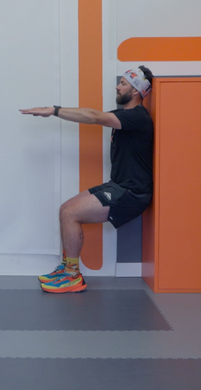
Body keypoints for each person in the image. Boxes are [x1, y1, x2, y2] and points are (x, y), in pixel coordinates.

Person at [19, 66, 154, 293]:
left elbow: (92, 116)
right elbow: (93, 116)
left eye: (123, 83)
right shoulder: (125, 116)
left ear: (137, 91)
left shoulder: (137, 117)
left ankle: (73, 277)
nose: (117, 86)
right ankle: (67, 268)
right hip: (119, 186)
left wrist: (53, 110)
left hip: (132, 193)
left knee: (72, 214)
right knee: (65, 210)